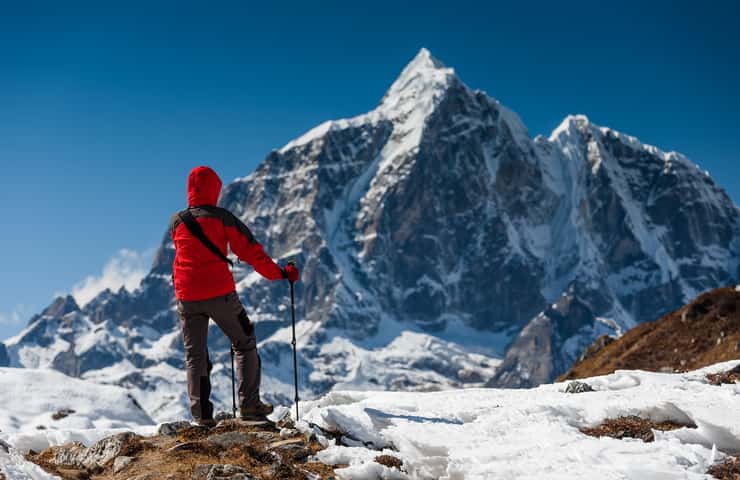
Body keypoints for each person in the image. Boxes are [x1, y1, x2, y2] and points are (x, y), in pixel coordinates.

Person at [170, 165, 299, 426]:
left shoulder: (177, 222)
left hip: (187, 297)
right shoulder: (223, 218)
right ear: (215, 189)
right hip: (220, 294)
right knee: (244, 341)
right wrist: (281, 274)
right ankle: (250, 406)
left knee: (195, 356)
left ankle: (202, 416)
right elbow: (252, 251)